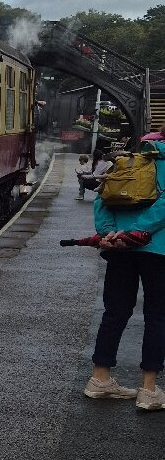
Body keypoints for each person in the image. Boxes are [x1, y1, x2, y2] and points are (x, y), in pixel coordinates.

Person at [85, 139, 165, 409]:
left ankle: (100, 379)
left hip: (118, 247)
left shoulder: (126, 160)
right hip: (158, 251)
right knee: (157, 316)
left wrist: (110, 232)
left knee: (115, 312)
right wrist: (137, 233)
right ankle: (149, 389)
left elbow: (102, 196)